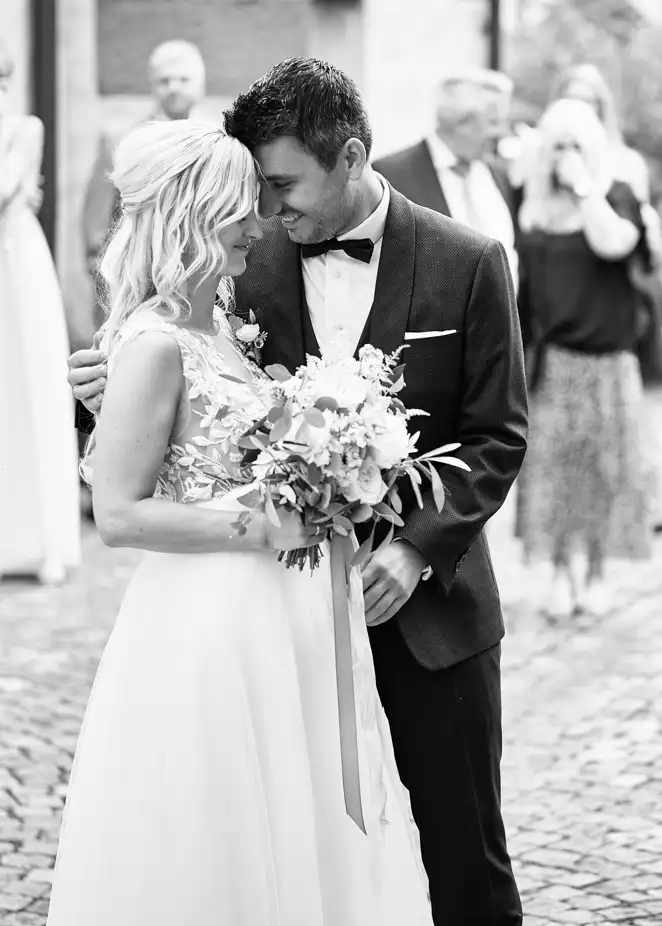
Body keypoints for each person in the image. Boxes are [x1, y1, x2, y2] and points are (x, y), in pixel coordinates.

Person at [67, 58, 528, 925]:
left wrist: (414, 550)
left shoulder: (468, 261)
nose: (271, 210)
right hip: (281, 632)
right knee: (302, 850)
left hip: (428, 614)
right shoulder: (241, 259)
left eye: (284, 184)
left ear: (350, 157)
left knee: (464, 850)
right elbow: (180, 389)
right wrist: (108, 392)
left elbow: (497, 433)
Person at [516, 99, 653, 617]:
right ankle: (556, 571)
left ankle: (595, 570)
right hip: (554, 361)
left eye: (577, 145)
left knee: (602, 470)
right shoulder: (531, 208)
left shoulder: (613, 197)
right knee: (552, 468)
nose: (567, 156)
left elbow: (616, 245)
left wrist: (583, 186)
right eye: (559, 146)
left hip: (607, 360)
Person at [0, 43, 80, 586]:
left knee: (30, 383)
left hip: (14, 259)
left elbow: (5, 190)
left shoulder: (25, 126)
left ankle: (49, 540)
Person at [83, 40, 207, 330]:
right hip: (137, 269)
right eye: (165, 80)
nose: (174, 87)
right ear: (152, 85)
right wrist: (97, 264)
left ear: (200, 84)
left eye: (183, 79)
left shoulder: (216, 137)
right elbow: (97, 214)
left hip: (197, 269)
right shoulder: (121, 140)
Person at [373, 69, 519, 290]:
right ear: (461, 123)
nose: (503, 132)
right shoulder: (391, 176)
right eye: (494, 122)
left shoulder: (498, 173)